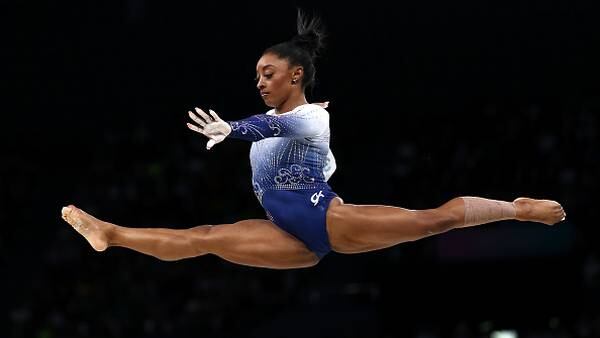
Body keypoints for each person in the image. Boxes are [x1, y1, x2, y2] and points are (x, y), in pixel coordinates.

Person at [61, 10, 566, 270]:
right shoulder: (282, 120)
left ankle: (516, 209)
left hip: (324, 217)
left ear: (295, 74)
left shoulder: (312, 119)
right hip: (290, 235)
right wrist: (243, 129)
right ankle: (110, 233)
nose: (259, 81)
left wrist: (232, 128)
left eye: (268, 73)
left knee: (431, 221)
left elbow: (272, 126)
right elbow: (269, 129)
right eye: (256, 74)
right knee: (205, 239)